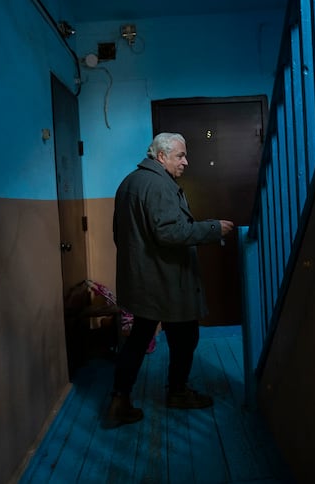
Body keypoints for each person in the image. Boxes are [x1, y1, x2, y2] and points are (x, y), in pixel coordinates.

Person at [103, 132, 235, 429]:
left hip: (144, 280)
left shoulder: (130, 183)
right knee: (185, 337)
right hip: (166, 282)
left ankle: (119, 400)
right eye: (180, 156)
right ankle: (177, 392)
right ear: (161, 156)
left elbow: (119, 235)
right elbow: (170, 233)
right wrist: (213, 228)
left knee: (138, 340)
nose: (186, 161)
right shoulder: (159, 185)